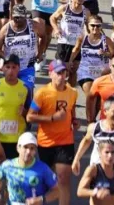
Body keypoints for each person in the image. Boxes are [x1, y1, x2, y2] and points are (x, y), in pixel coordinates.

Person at [25, 60, 76, 205]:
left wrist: (74, 121)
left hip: (66, 141)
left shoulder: (72, 92)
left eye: (63, 72)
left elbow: (71, 111)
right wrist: (52, 118)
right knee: (45, 180)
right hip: (46, 142)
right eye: (58, 73)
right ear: (50, 74)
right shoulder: (42, 93)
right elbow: (30, 116)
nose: (61, 75)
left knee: (64, 178)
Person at [0, 55, 31, 159]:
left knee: (14, 174)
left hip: (17, 140)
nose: (11, 71)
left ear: (19, 68)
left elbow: (31, 113)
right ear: (2, 68)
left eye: (14, 67)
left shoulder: (26, 88)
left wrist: (25, 112)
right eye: (7, 67)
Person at [0, 132, 59, 205]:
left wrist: (41, 199)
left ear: (35, 151)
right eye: (25, 147)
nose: (28, 152)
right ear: (18, 148)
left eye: (32, 148)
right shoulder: (7, 165)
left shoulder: (43, 168)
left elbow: (57, 190)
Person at [76, 140, 114, 205]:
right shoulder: (93, 170)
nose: (110, 156)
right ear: (100, 153)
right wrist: (95, 192)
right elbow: (80, 191)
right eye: (107, 152)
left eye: (112, 152)